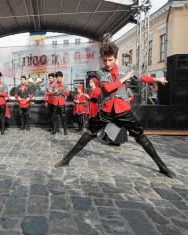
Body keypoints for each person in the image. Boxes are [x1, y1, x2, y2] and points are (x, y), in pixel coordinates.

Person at [54, 42, 175, 178]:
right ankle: (66, 160)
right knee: (89, 133)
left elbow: (140, 77)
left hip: (123, 109)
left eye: (110, 60)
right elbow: (107, 88)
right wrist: (124, 79)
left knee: (140, 136)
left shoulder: (124, 68)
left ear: (116, 58)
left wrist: (156, 79)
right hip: (106, 110)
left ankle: (163, 167)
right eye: (105, 60)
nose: (107, 63)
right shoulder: (100, 72)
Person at [102, 82, 134, 146]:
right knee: (111, 123)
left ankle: (118, 140)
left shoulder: (128, 89)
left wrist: (128, 99)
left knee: (119, 124)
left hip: (122, 108)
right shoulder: (114, 89)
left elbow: (132, 97)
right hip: (114, 107)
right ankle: (110, 139)